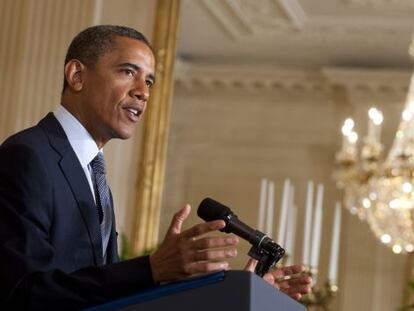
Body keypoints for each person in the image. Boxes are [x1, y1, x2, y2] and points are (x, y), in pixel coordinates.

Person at [0, 25, 311, 310]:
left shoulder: (94, 177)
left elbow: (104, 299)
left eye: (148, 81)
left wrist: (239, 294)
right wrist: (151, 268)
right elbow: (22, 293)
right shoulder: (27, 156)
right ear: (77, 75)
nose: (143, 92)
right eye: (128, 72)